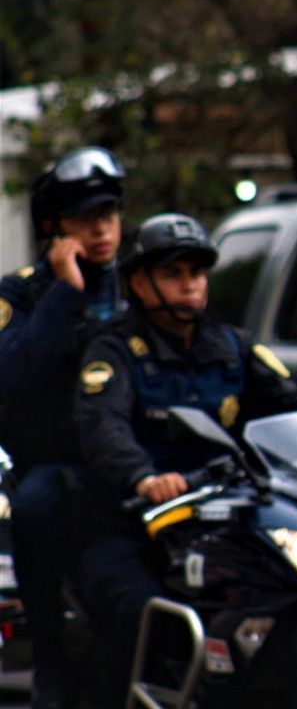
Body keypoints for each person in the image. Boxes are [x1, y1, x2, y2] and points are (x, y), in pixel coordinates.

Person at [73, 212, 297, 708]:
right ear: (139, 283)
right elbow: (103, 425)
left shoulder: (232, 347)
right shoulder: (115, 349)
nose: (191, 285)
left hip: (220, 524)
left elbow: (295, 407)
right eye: (174, 274)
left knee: (294, 592)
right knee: (139, 611)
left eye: (198, 273)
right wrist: (144, 477)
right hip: (132, 526)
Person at [0, 146, 127, 709]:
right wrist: (64, 289)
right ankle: (49, 655)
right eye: (86, 218)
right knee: (34, 505)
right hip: (55, 467)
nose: (101, 229)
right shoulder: (22, 293)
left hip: (132, 464)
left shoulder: (142, 283)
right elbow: (14, 375)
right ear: (56, 227)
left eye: (109, 214)